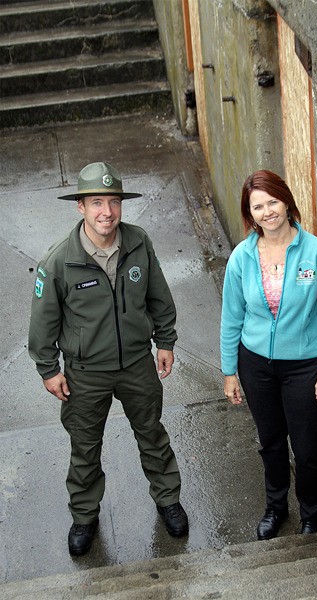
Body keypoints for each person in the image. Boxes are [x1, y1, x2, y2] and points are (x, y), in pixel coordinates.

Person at [29, 162, 188, 556]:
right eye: (96, 202)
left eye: (113, 201)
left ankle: (168, 499)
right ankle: (84, 516)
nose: (107, 212)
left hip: (137, 364)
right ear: (79, 207)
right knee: (84, 446)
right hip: (85, 373)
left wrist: (165, 341)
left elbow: (159, 297)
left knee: (152, 434)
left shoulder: (138, 242)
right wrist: (48, 370)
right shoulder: (58, 262)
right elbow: (42, 323)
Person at [220, 170, 317, 540]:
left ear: (287, 201)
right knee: (271, 442)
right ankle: (276, 508)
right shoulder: (241, 258)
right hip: (255, 364)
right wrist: (230, 371)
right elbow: (232, 317)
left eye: (272, 202)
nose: (267, 212)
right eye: (257, 206)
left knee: (306, 447)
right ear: (250, 213)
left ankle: (311, 514)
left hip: (306, 366)